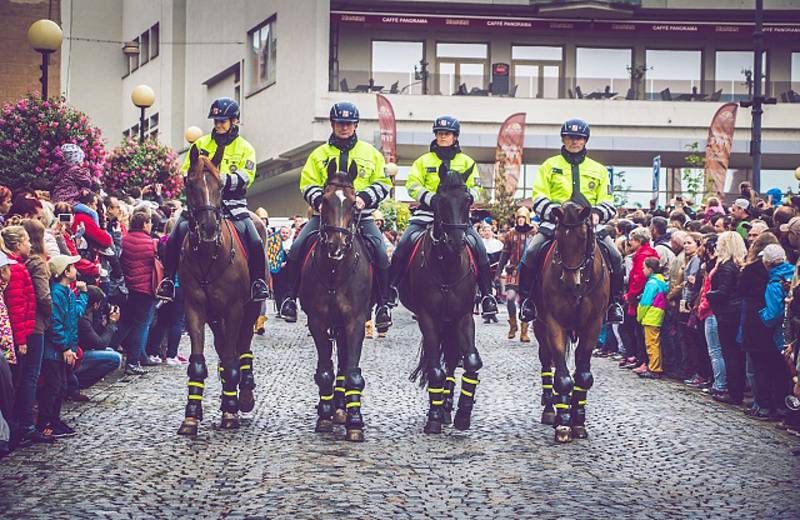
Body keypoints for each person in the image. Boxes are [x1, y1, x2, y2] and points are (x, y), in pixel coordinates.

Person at [278, 102, 394, 331]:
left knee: (380, 251)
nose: (344, 128)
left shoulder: (370, 153)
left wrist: (364, 199)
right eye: (340, 124)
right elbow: (307, 183)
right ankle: (289, 298)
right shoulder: (319, 154)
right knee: (299, 246)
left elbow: (383, 182)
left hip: (362, 216)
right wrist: (319, 201)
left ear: (355, 125)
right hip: (327, 218)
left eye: (348, 124)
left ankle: (383, 305)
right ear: (332, 125)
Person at [156, 97, 268, 303]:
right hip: (201, 205)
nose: (218, 124)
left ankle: (259, 282)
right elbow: (185, 171)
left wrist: (220, 180)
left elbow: (247, 176)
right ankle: (168, 280)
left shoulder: (245, 147)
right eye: (216, 120)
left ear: (234, 121)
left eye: (223, 120)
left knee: (254, 238)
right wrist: (197, 180)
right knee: (175, 234)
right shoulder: (200, 144)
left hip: (233, 205)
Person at [388, 115, 498, 318]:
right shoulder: (423, 161)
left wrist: (466, 198)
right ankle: (390, 291)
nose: (442, 137)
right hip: (426, 216)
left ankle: (486, 294)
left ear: (455, 137)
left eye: (447, 134)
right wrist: (431, 199)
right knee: (404, 243)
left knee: (479, 247)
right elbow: (412, 185)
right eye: (439, 133)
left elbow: (477, 188)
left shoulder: (467, 162)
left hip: (457, 220)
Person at [517, 119, 623, 324]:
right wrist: (555, 212)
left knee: (616, 256)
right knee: (531, 252)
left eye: (579, 138)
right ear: (563, 139)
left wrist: (598, 214)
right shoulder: (549, 165)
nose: (575, 141)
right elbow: (538, 196)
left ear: (585, 140)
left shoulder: (599, 169)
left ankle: (614, 304)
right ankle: (528, 301)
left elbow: (608, 201)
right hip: (556, 223)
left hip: (589, 224)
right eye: (570, 137)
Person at [39, 255, 87, 438]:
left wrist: (82, 295)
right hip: (54, 351)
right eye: (72, 267)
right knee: (54, 386)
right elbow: (54, 323)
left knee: (61, 386)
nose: (76, 270)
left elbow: (75, 314)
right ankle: (45, 423)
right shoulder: (57, 293)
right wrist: (65, 347)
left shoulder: (66, 291)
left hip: (64, 349)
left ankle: (55, 420)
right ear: (65, 272)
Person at [115, 210, 157, 375]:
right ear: (145, 224)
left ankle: (109, 349)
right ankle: (133, 362)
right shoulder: (151, 244)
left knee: (125, 323)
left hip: (127, 289)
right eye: (149, 222)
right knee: (140, 325)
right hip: (145, 290)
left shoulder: (124, 241)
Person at [496, 207, 534, 342]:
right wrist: (498, 271)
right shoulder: (510, 234)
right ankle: (513, 325)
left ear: (527, 218)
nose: (521, 220)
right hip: (513, 271)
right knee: (510, 298)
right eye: (519, 218)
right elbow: (504, 254)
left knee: (525, 300)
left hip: (528, 272)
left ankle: (524, 331)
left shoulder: (534, 233)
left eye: (523, 218)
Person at [76, 286, 122, 388]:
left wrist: (103, 325)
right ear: (96, 304)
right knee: (115, 358)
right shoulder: (83, 318)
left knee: (110, 351)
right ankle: (78, 383)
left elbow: (92, 338)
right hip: (77, 355)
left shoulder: (86, 313)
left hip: (80, 351)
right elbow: (100, 344)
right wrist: (112, 324)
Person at [636, 257, 668, 379]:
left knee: (651, 343)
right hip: (658, 314)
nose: (643, 270)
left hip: (651, 316)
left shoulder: (651, 283)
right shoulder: (660, 281)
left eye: (644, 267)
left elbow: (645, 302)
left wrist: (639, 316)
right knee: (655, 342)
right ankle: (655, 366)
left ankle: (654, 368)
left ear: (650, 269)